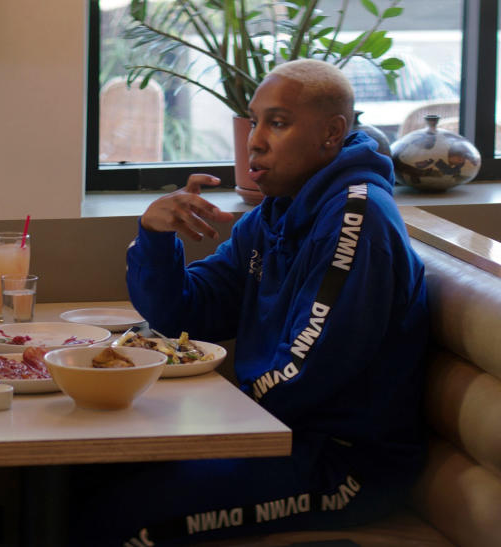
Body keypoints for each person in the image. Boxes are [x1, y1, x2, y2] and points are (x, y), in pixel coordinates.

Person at [69, 59, 429, 544]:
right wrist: (155, 239)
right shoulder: (276, 213)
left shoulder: (356, 219)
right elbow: (185, 314)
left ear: (331, 133)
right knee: (78, 476)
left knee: (120, 521)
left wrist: (216, 417)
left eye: (277, 123)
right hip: (276, 437)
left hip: (342, 463)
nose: (254, 140)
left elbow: (308, 367)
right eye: (254, 120)